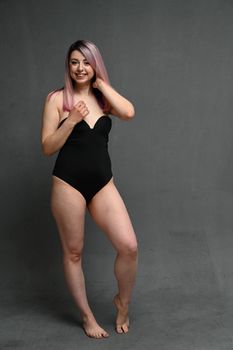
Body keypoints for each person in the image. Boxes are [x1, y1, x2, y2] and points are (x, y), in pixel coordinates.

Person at [41, 39, 138, 339]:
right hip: (68, 183)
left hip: (102, 183)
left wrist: (101, 84)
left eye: (86, 61)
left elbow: (129, 112)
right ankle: (86, 316)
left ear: (94, 65)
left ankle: (122, 302)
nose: (80, 68)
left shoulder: (103, 98)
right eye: (74, 62)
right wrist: (70, 121)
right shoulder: (57, 99)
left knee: (129, 246)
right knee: (73, 252)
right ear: (67, 66)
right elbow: (47, 147)